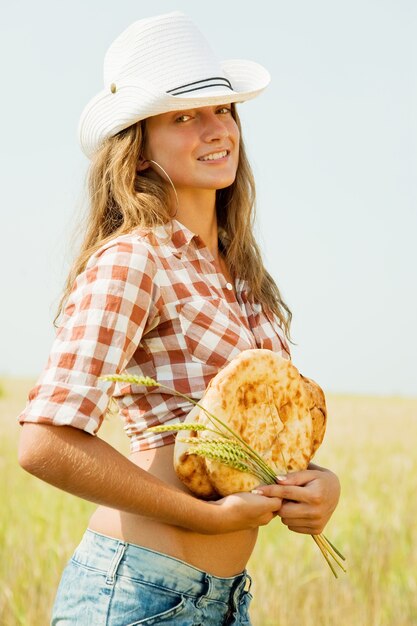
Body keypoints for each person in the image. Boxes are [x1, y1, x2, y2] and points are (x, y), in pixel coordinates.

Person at [17, 11, 340, 625]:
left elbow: (254, 443)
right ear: (137, 152)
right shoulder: (134, 259)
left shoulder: (247, 279)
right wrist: (207, 517)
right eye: (184, 116)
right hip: (138, 595)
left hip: (222, 601)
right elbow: (44, 441)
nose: (216, 128)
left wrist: (319, 485)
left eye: (222, 109)